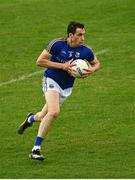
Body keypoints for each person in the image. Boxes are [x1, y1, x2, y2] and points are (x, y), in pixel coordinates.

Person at [18, 21, 100, 161]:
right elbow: (40, 61)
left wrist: (91, 70)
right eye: (79, 35)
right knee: (54, 112)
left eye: (83, 35)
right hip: (51, 80)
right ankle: (36, 149)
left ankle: (30, 118)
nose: (83, 38)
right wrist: (62, 66)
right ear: (70, 35)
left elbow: (96, 63)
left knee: (43, 116)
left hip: (66, 87)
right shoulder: (56, 45)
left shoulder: (86, 50)